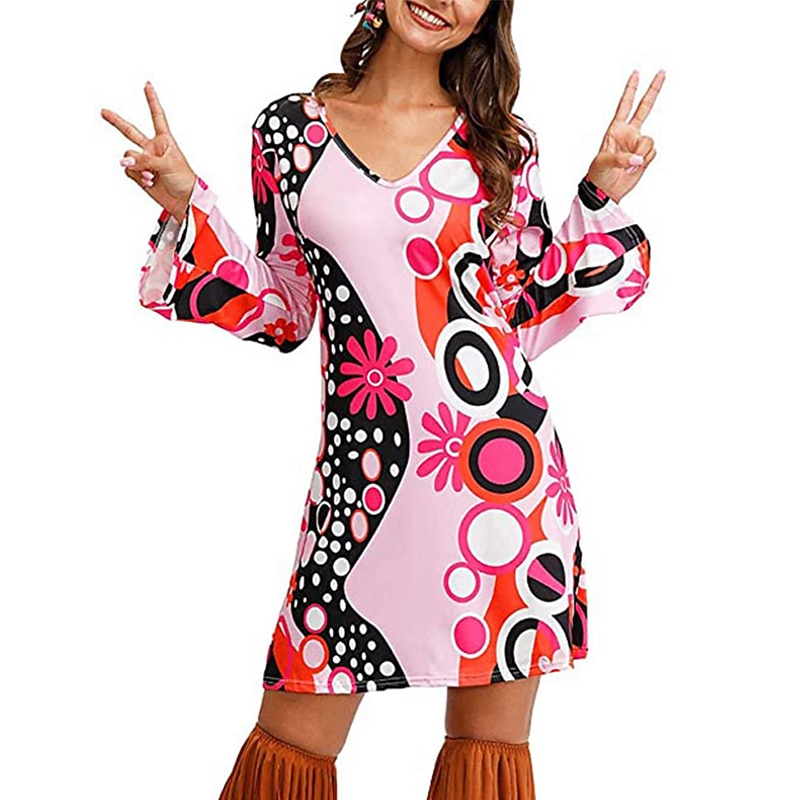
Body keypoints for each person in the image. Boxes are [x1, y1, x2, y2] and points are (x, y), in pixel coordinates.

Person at [101, 0, 663, 797]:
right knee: (289, 749)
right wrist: (187, 205)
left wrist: (600, 192)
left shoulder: (502, 145)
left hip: (500, 486)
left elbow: (519, 315)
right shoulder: (289, 132)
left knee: (485, 760)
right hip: (358, 492)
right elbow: (287, 307)